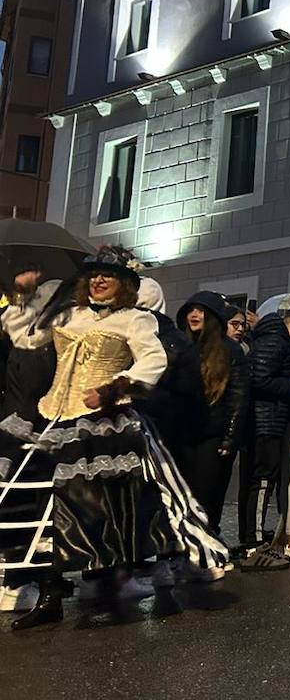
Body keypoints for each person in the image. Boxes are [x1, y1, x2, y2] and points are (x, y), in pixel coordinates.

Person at [0, 248, 227, 627]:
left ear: (124, 284)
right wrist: (22, 298)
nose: (100, 281)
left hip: (103, 425)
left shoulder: (134, 320)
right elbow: (24, 338)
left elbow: (153, 362)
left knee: (98, 510)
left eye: (108, 275)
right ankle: (51, 595)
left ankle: (106, 586)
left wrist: (113, 389)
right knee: (47, 507)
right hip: (55, 419)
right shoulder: (69, 314)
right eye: (94, 275)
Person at [166, 292, 249, 541]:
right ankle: (185, 546)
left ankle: (207, 542)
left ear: (212, 316)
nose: (194, 314)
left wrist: (230, 438)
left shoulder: (229, 350)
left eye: (200, 310)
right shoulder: (182, 347)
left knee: (207, 494)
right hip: (183, 435)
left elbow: (238, 396)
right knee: (182, 495)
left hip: (213, 435)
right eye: (190, 309)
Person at [0, 267, 59, 618]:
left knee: (27, 508)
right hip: (18, 433)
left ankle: (24, 581)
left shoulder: (46, 344)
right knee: (16, 507)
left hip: (31, 435)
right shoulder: (25, 341)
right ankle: (16, 579)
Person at [242, 302, 290, 568]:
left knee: (257, 483)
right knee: (263, 482)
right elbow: (260, 379)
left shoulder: (265, 340)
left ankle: (252, 539)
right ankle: (256, 543)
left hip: (263, 420)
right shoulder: (276, 342)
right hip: (267, 421)